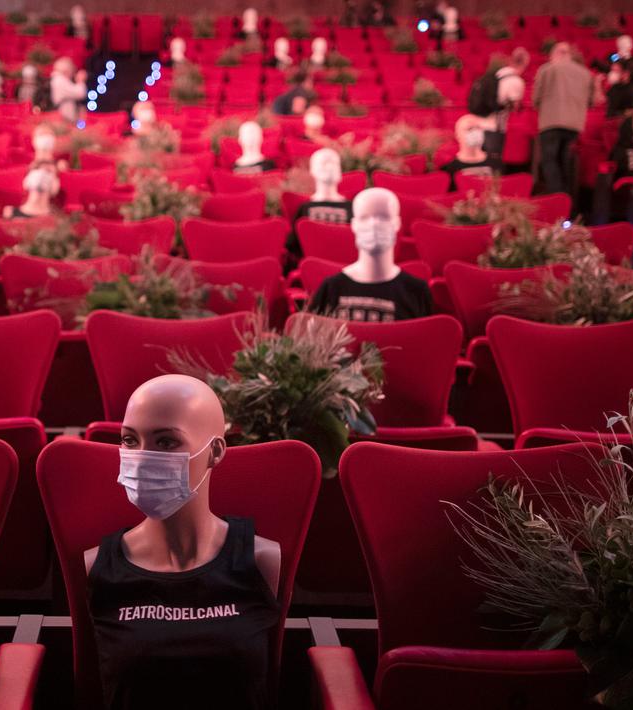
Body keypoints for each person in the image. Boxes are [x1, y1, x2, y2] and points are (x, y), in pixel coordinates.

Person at [85, 373, 280, 710]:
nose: (142, 457)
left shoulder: (263, 559)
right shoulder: (95, 565)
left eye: (165, 442)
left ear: (215, 452)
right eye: (130, 440)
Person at [310, 188, 432, 322]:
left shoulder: (415, 291)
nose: (374, 224)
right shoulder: (332, 288)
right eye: (364, 217)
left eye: (383, 217)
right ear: (354, 225)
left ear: (397, 223)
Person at [532, 42, 592, 196]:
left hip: (550, 122)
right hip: (574, 125)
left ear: (555, 54)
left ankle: (557, 197)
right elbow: (591, 101)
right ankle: (568, 200)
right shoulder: (585, 73)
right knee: (566, 163)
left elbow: (536, 98)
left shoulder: (547, 69)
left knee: (549, 161)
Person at [441, 114, 502, 191]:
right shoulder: (450, 169)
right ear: (457, 135)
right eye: (469, 129)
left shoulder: (497, 163)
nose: (475, 132)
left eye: (478, 128)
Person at [296, 148, 352, 225]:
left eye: (334, 163)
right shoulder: (305, 208)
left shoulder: (352, 207)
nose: (330, 167)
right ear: (313, 170)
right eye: (324, 163)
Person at [51, 56, 88, 123]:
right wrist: (80, 80)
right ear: (67, 70)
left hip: (65, 115)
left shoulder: (57, 79)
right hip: (64, 116)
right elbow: (80, 93)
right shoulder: (59, 80)